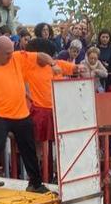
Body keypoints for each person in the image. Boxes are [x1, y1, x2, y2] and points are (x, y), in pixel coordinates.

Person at [0, 36, 54, 195]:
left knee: (29, 148)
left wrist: (52, 63)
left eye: (11, 52)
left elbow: (39, 56)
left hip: (21, 113)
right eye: (7, 53)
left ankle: (35, 183)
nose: (10, 55)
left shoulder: (17, 58)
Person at [22, 38, 79, 166]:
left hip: (54, 111)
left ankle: (49, 171)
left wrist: (82, 68)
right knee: (36, 146)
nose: (50, 58)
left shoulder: (56, 63)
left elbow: (76, 68)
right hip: (35, 111)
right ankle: (35, 172)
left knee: (57, 145)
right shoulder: (27, 65)